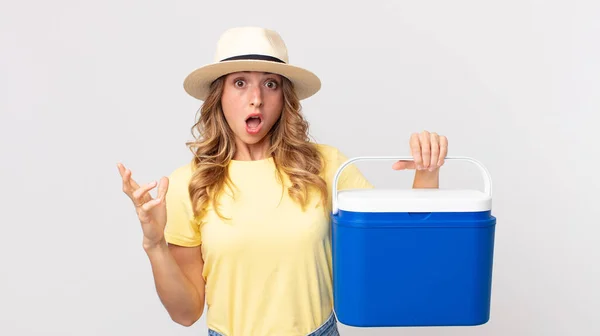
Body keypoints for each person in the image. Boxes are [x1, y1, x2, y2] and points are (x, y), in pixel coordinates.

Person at [117, 26, 448, 336]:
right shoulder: (188, 183)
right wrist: (155, 244)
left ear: (284, 98)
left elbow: (397, 254)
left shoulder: (325, 165)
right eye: (241, 82)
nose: (257, 97)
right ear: (219, 96)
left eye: (270, 83)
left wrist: (427, 170)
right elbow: (185, 313)